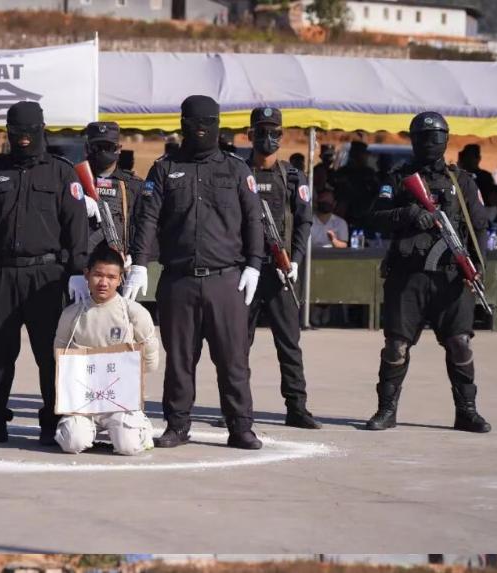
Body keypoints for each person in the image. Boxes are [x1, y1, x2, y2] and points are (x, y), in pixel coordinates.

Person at [125, 95, 264, 450]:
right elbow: (148, 218)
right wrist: (139, 262)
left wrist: (254, 263)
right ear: (183, 125)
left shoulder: (236, 169)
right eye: (193, 124)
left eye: (207, 124)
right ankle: (177, 425)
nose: (200, 130)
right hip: (179, 279)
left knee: (233, 359)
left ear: (217, 126)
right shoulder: (165, 168)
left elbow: (253, 219)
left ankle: (241, 427)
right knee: (180, 360)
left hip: (226, 279)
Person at [0, 101, 88, 446]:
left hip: (47, 277)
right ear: (8, 133)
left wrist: (77, 271)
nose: (23, 139)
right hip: (4, 274)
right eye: (16, 132)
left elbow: (76, 226)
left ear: (41, 130)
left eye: (30, 132)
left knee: (49, 356)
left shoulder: (60, 172)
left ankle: (51, 422)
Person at [365, 111, 490, 433]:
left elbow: (478, 227)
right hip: (407, 276)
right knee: (396, 346)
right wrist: (408, 214)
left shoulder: (461, 181)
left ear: (446, 140)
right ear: (414, 140)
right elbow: (375, 217)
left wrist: (476, 267)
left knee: (460, 344)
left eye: (436, 137)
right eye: (424, 137)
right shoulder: (398, 178)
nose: (430, 143)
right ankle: (386, 410)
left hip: (451, 276)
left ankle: (467, 411)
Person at [246, 107, 320, 429]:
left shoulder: (292, 176)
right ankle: (237, 408)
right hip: (245, 272)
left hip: (281, 271)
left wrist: (296, 261)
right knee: (238, 346)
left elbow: (304, 221)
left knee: (289, 344)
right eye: (261, 131)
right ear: (250, 135)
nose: (268, 138)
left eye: (274, 132)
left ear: (282, 135)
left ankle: (297, 407)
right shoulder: (237, 172)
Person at [53, 244, 158, 455]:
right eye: (98, 275)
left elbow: (150, 362)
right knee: (72, 443)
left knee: (128, 446)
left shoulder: (134, 313)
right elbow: (60, 356)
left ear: (120, 279)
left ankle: (139, 426)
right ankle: (86, 430)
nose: (103, 282)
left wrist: (126, 378)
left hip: (121, 401)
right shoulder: (71, 314)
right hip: (83, 401)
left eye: (111, 277)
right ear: (86, 275)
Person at [82, 121, 144, 256]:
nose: (102, 151)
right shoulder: (73, 182)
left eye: (108, 147)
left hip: (120, 260)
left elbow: (144, 227)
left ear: (118, 149)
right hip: (81, 261)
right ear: (87, 149)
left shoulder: (133, 185)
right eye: (97, 147)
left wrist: (135, 258)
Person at [334, 141, 379, 228]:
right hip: (346, 216)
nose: (366, 157)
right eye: (364, 154)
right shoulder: (343, 172)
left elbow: (377, 193)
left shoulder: (369, 173)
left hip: (365, 215)